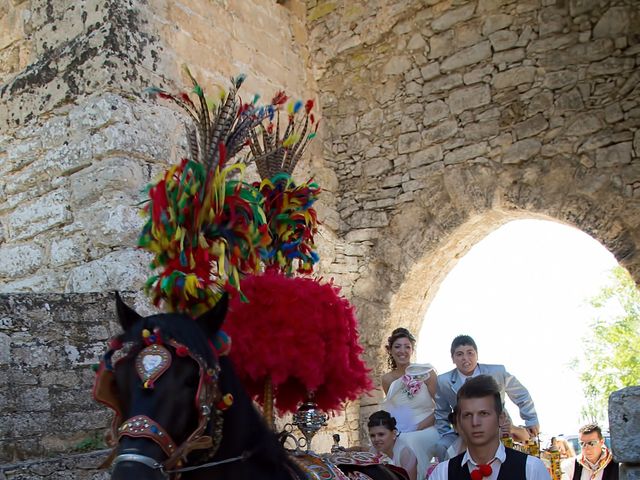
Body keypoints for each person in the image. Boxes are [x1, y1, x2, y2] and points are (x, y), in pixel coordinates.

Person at [434, 335, 540, 458]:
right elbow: (441, 411)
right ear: (453, 358)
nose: (465, 358)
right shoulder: (444, 381)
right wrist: (447, 433)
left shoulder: (497, 372)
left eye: (470, 353)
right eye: (459, 354)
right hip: (464, 430)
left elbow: (521, 395)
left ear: (477, 355)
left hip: (499, 426)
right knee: (442, 446)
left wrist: (531, 419)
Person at [428, 375, 551, 479]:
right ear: (459, 422)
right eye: (468, 415)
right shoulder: (443, 474)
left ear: (501, 418)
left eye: (483, 414)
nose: (475, 422)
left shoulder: (531, 469)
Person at [381, 328, 440, 480]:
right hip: (403, 429)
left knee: (408, 441)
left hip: (430, 427)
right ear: (390, 350)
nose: (403, 351)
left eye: (407, 346)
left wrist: (418, 427)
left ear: (412, 350)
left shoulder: (426, 372)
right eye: (398, 346)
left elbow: (442, 408)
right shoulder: (387, 379)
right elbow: (393, 410)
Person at [368, 410, 418, 480]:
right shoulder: (373, 451)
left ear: (394, 434)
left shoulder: (405, 453)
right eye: (372, 435)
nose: (376, 439)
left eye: (381, 434)